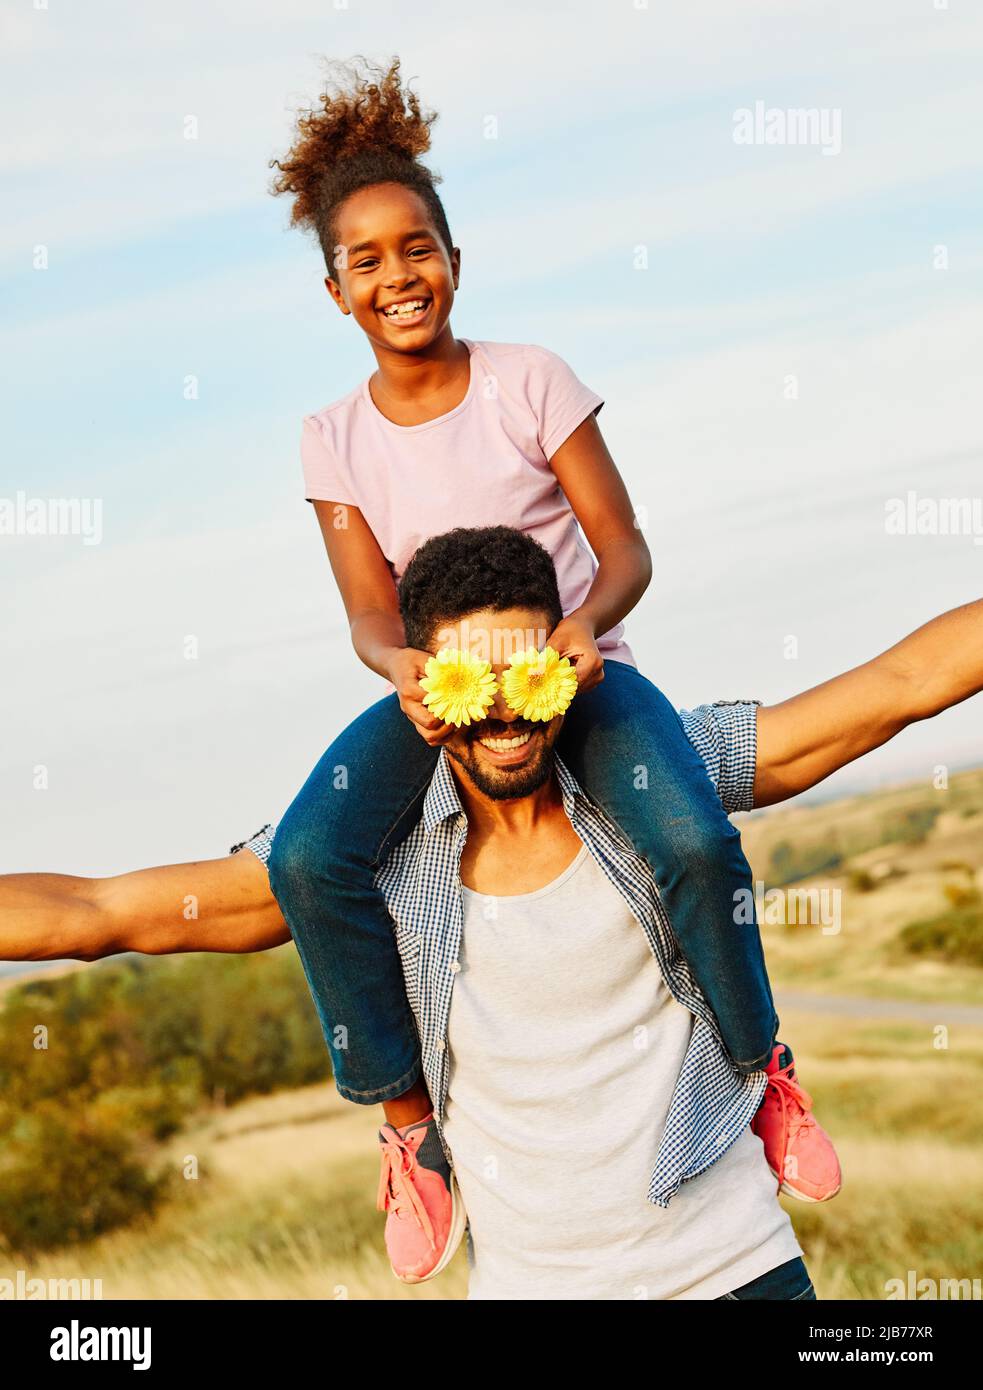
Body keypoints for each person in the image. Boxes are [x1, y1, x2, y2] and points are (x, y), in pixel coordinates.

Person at [3, 528, 980, 1298]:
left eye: (526, 675)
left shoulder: (657, 777)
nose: (505, 712)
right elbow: (101, 913)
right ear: (420, 694)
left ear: (564, 660)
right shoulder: (366, 860)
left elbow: (895, 688)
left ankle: (770, 1079)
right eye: (471, 683)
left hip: (734, 1271)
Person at [261, 56, 833, 1276]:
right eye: (365, 261)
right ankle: (409, 1125)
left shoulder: (529, 378)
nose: (396, 274)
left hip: (579, 670)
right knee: (312, 855)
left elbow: (621, 545)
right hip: (445, 697)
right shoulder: (331, 439)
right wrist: (407, 673)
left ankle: (757, 1063)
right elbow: (366, 615)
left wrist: (583, 629)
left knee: (686, 838)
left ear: (453, 261)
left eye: (415, 247)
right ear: (333, 292)